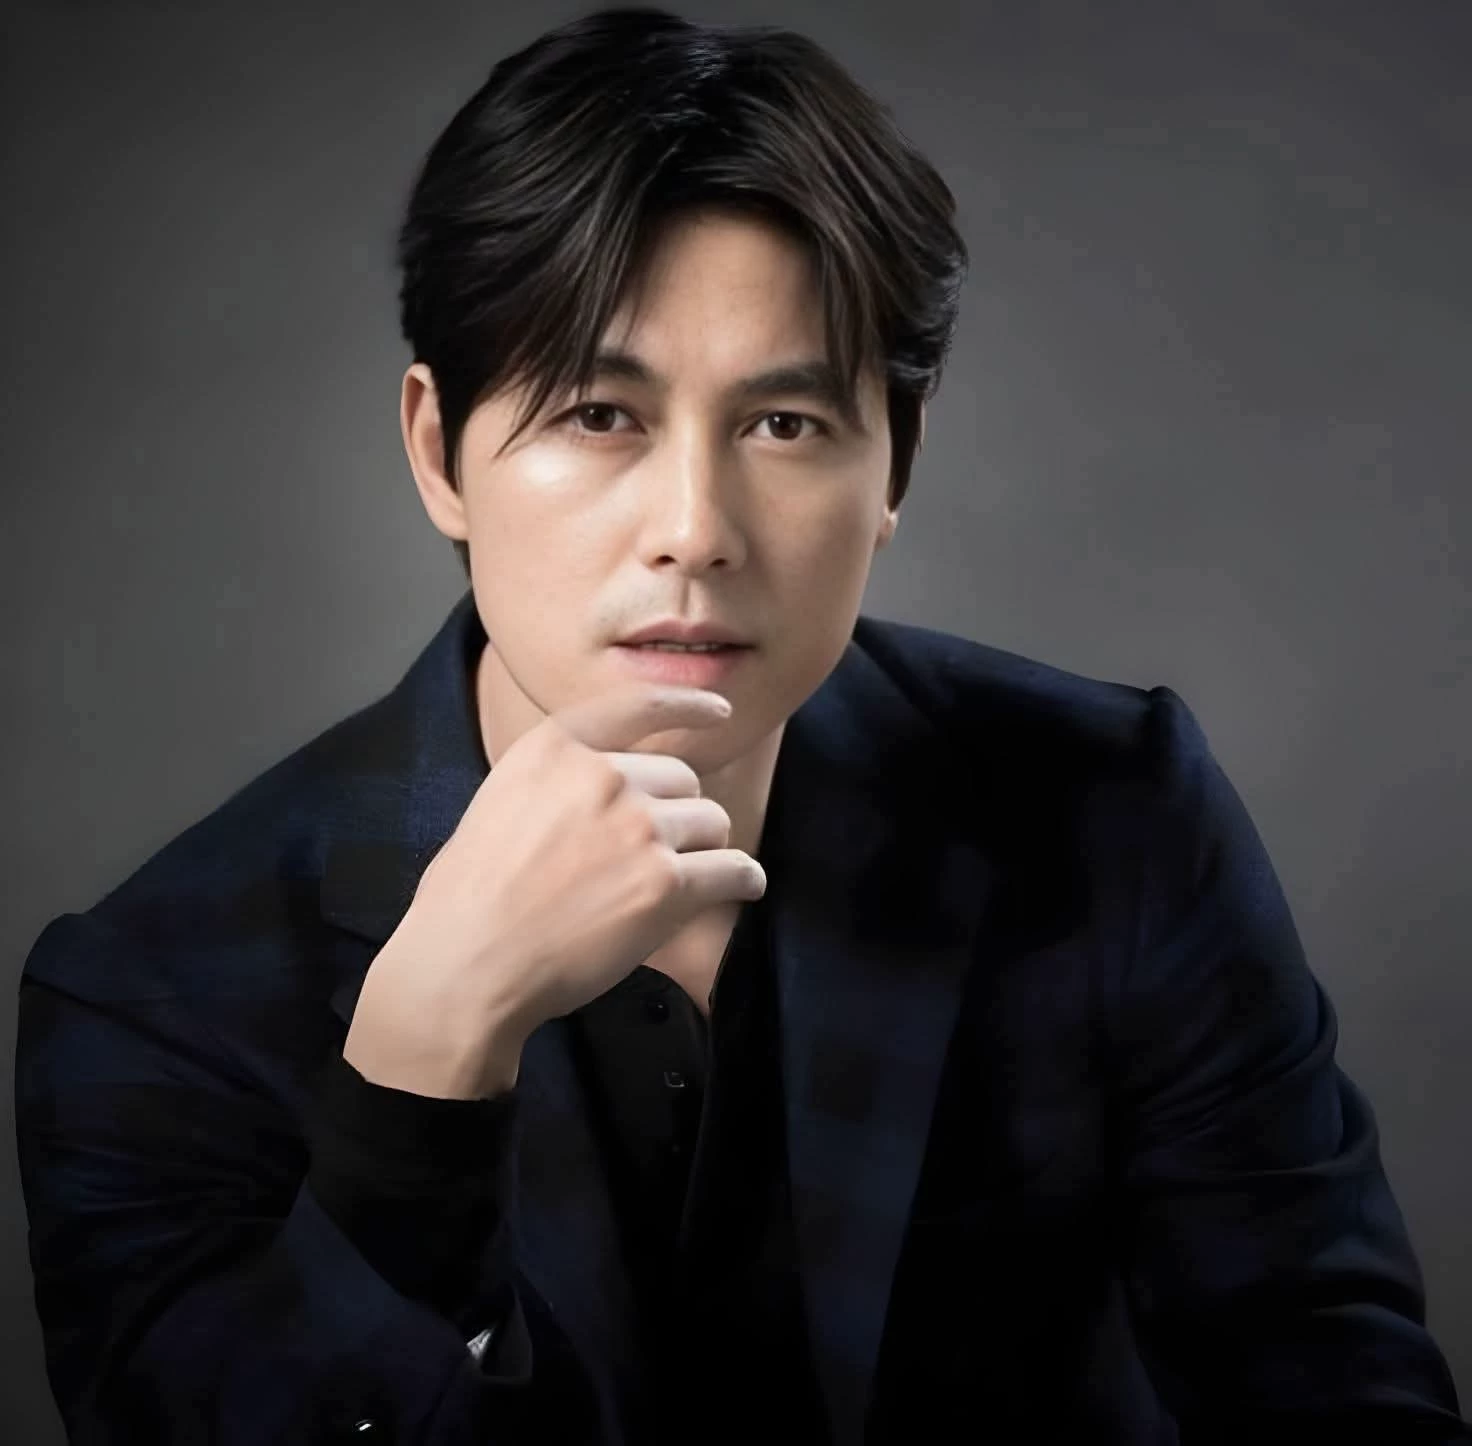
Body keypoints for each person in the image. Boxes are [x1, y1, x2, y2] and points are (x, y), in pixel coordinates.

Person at [14, 6, 1469, 1444]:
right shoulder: (155, 995)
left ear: (896, 466)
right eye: (599, 413)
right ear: (438, 451)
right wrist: (426, 1056)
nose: (696, 529)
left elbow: (1339, 1392)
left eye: (784, 424)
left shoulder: (1111, 815)